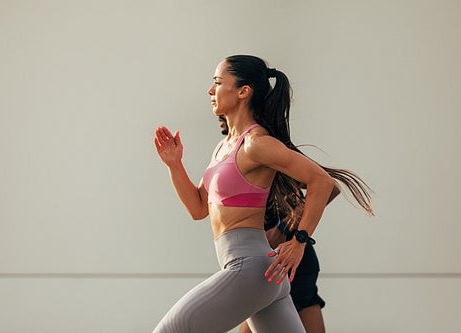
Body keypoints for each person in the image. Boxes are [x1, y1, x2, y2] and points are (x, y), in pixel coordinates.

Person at [153, 55, 373, 333]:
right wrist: (175, 165)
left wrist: (298, 240)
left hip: (250, 269)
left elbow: (322, 182)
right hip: (261, 271)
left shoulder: (256, 144)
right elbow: (198, 208)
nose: (211, 91)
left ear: (244, 91)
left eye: (218, 83)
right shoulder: (223, 148)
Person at [217, 115, 333, 333]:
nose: (219, 117)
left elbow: (327, 186)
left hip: (285, 264)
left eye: (225, 114)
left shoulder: (264, 148)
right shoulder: (234, 152)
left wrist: (285, 230)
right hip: (282, 263)